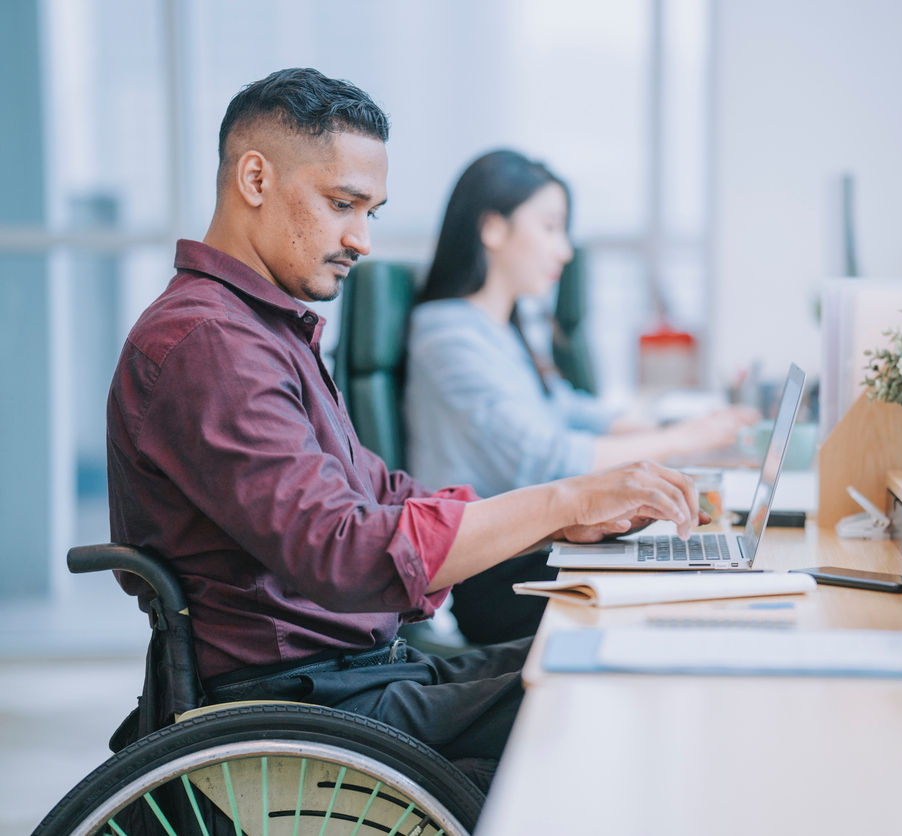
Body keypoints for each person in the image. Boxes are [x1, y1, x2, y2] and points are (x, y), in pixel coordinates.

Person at [106, 68, 700, 791]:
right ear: (254, 179)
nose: (360, 239)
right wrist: (563, 502)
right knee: (604, 695)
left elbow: (376, 489)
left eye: (372, 213)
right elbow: (342, 550)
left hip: (353, 678)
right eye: (341, 205)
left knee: (603, 655)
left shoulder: (261, 331)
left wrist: (557, 523)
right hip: (299, 707)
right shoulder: (210, 345)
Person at [406, 148, 758, 501]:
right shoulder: (447, 336)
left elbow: (562, 407)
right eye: (550, 228)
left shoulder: (500, 330)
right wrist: (679, 440)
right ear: (494, 229)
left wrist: (678, 431)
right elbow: (544, 459)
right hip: (496, 551)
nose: (565, 251)